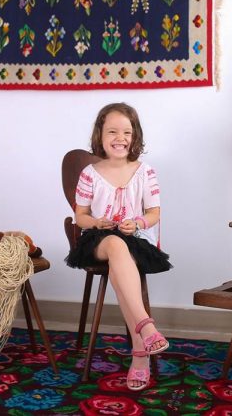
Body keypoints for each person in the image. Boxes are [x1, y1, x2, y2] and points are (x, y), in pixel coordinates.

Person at [65, 102, 172, 391]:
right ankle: (146, 326)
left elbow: (154, 213)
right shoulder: (90, 173)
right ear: (100, 136)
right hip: (98, 239)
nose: (120, 138)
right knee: (113, 244)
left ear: (135, 136)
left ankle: (140, 352)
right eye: (112, 131)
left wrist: (137, 223)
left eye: (126, 132)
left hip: (135, 239)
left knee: (120, 262)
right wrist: (96, 221)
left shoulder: (145, 172)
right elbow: (80, 216)